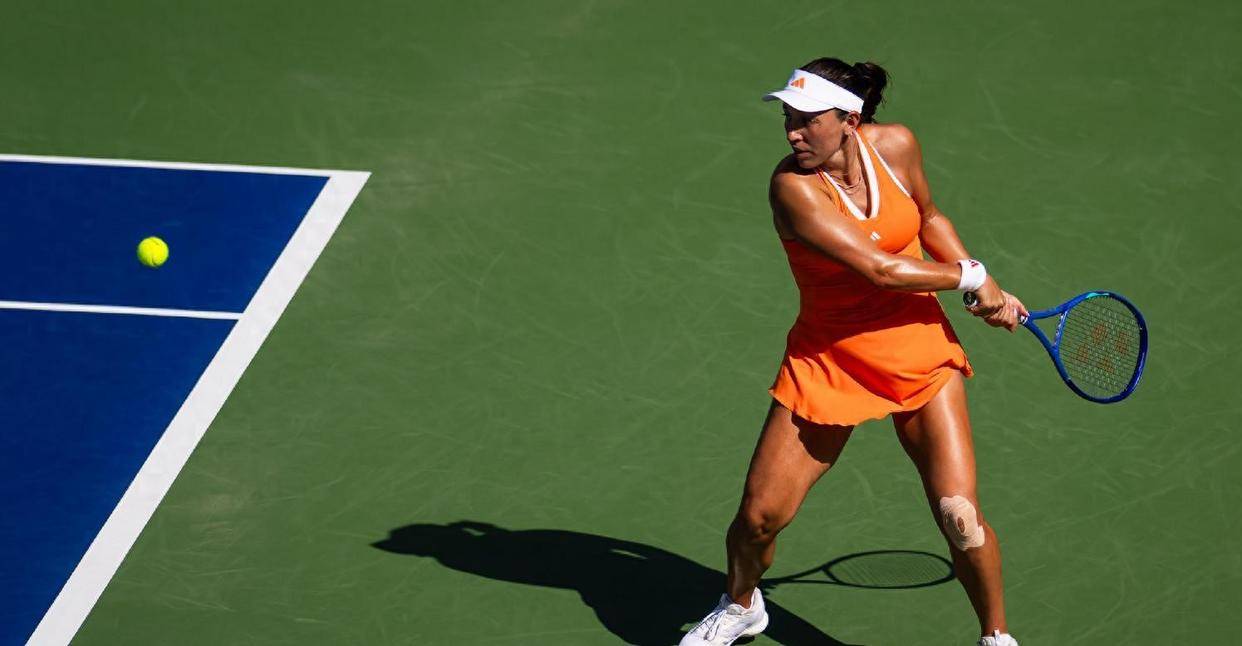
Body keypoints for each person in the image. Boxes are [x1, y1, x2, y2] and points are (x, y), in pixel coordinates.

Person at [679, 58, 1027, 646]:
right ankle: (740, 605)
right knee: (758, 520)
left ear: (849, 119)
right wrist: (972, 277)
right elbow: (880, 269)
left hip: (917, 348)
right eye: (788, 119)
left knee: (960, 517)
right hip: (830, 359)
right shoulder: (792, 189)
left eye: (807, 120)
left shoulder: (897, 147)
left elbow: (928, 217)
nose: (793, 133)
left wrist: (980, 283)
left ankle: (996, 637)